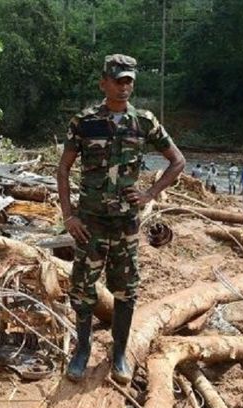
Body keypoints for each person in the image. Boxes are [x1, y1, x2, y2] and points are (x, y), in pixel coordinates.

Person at [57, 54, 185, 385]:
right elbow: (63, 168)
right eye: (118, 80)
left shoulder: (144, 122)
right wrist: (68, 216)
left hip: (126, 226)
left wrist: (149, 194)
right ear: (104, 83)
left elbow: (177, 161)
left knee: (126, 291)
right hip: (90, 225)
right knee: (83, 290)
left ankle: (119, 354)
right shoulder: (84, 122)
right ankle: (82, 351)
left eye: (129, 80)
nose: (124, 86)